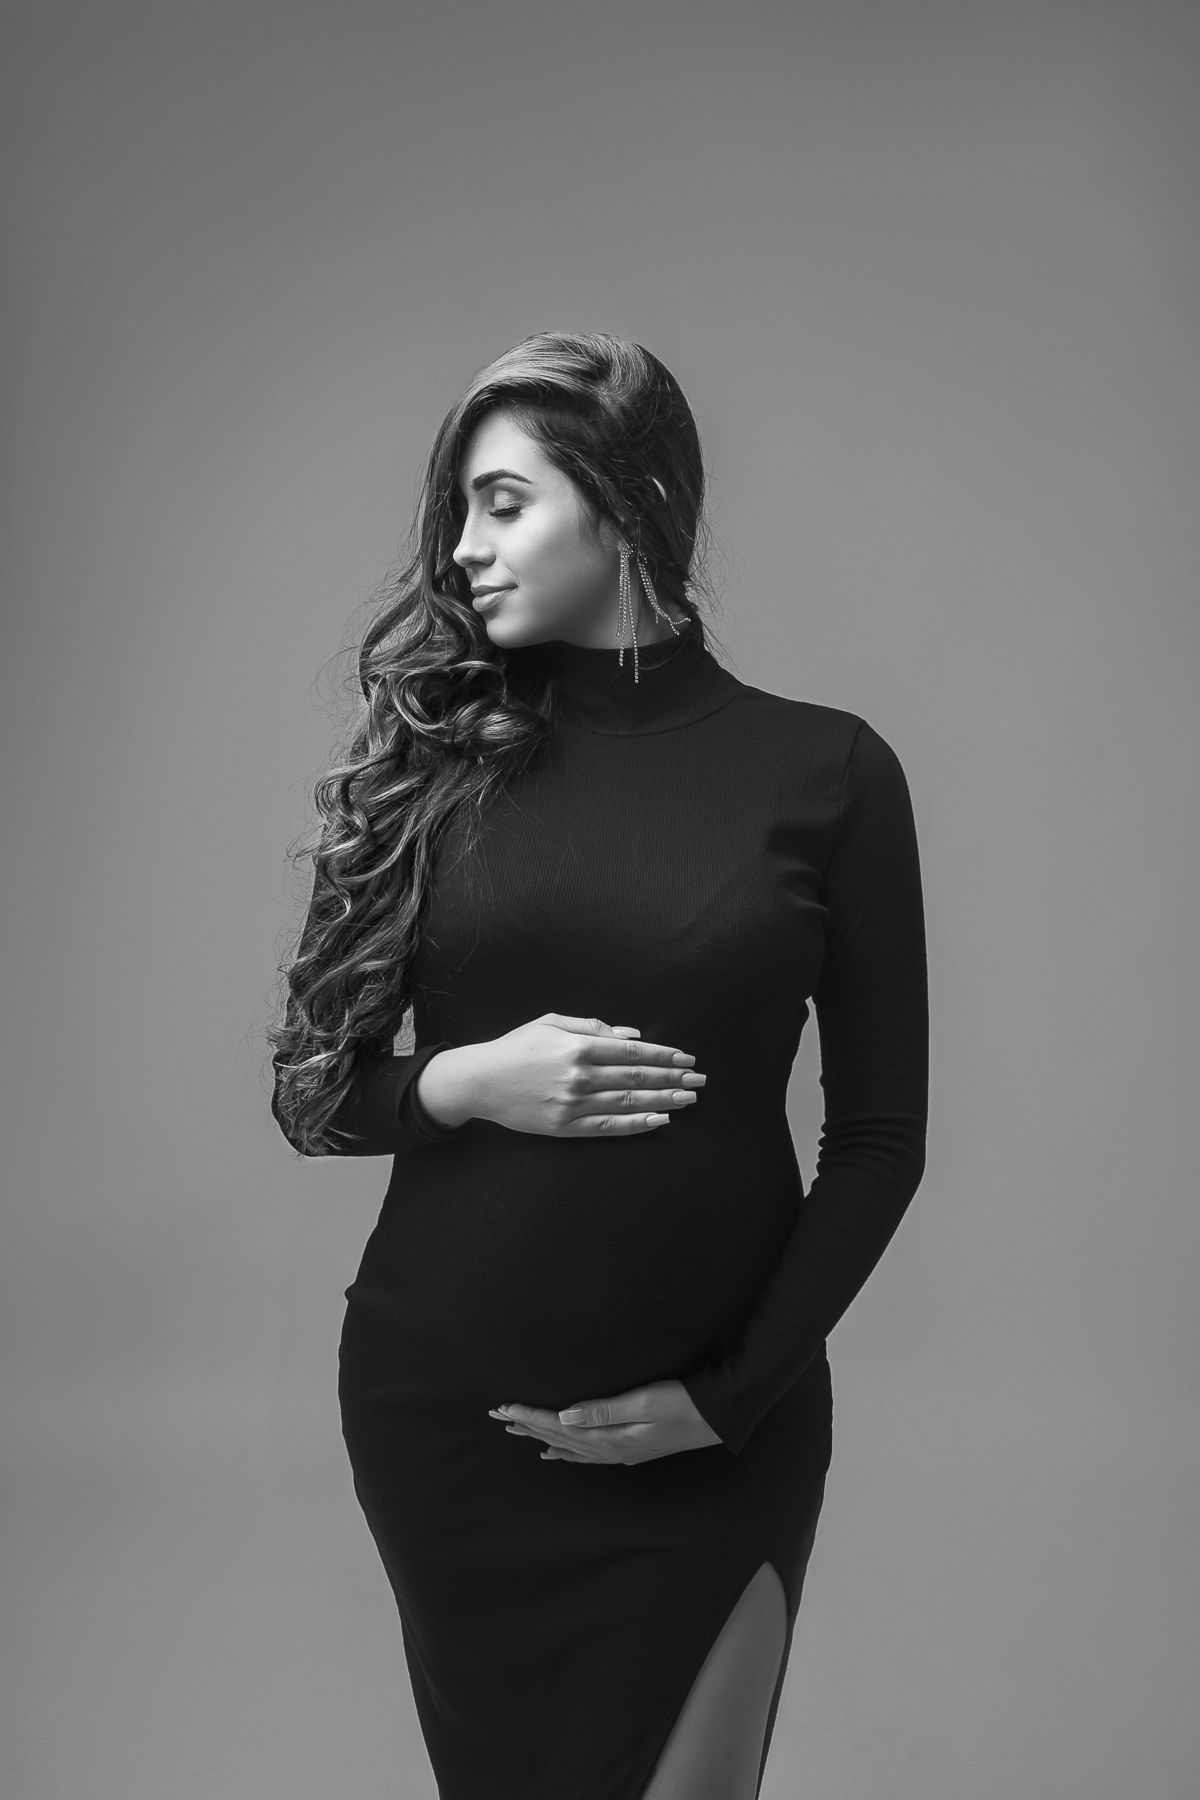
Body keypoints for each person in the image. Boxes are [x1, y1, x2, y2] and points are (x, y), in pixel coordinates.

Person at [270, 332, 928, 1800]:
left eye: (502, 503)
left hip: (721, 1443)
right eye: (457, 509)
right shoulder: (430, 764)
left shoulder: (830, 774)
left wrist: (730, 1399)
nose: (462, 548)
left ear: (627, 502)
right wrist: (469, 1082)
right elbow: (312, 1093)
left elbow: (883, 1139)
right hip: (457, 1435)